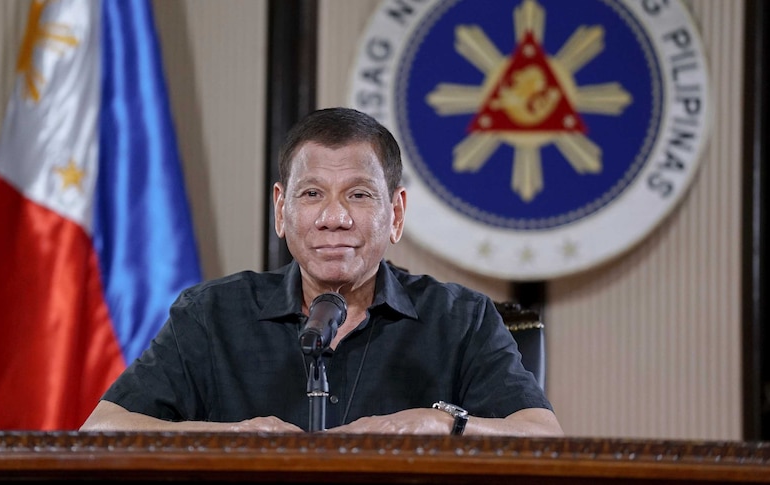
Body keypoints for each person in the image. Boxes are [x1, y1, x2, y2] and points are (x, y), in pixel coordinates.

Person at [80, 107, 564, 436]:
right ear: (280, 210)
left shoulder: (460, 319)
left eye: (359, 194)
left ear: (395, 214)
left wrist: (441, 424)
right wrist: (233, 438)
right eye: (312, 194)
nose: (334, 217)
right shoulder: (213, 314)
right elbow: (103, 429)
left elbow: (542, 437)